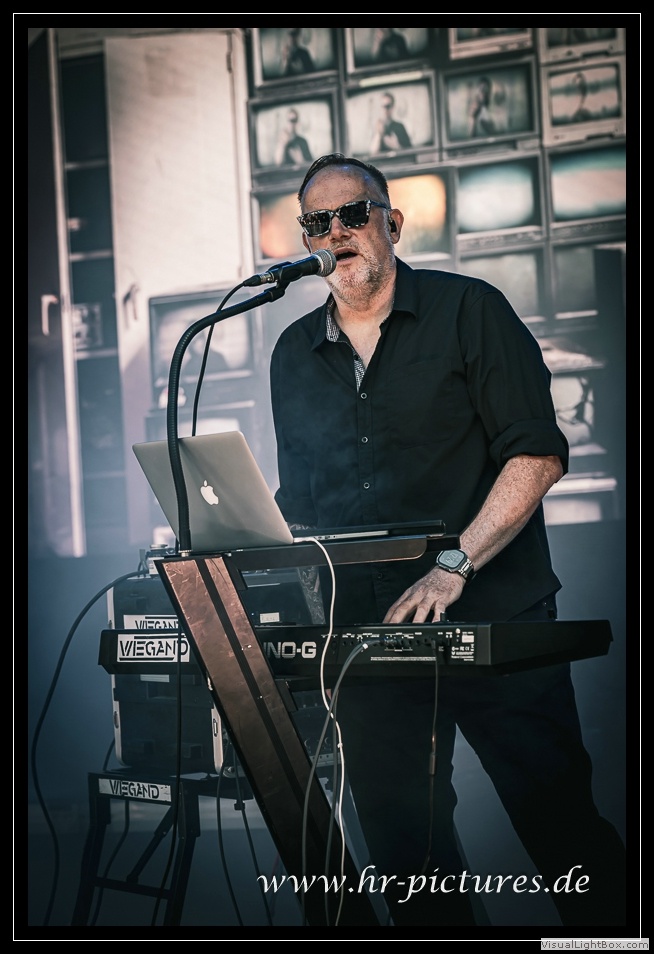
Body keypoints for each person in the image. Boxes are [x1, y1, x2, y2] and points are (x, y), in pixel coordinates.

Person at [269, 153, 627, 927]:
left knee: (560, 827)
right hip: (369, 636)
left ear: (391, 223)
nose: (337, 232)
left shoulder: (471, 311)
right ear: (306, 240)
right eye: (319, 223)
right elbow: (301, 503)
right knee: (406, 853)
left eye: (353, 214)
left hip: (495, 614)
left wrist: (453, 565)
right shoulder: (292, 354)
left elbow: (536, 455)